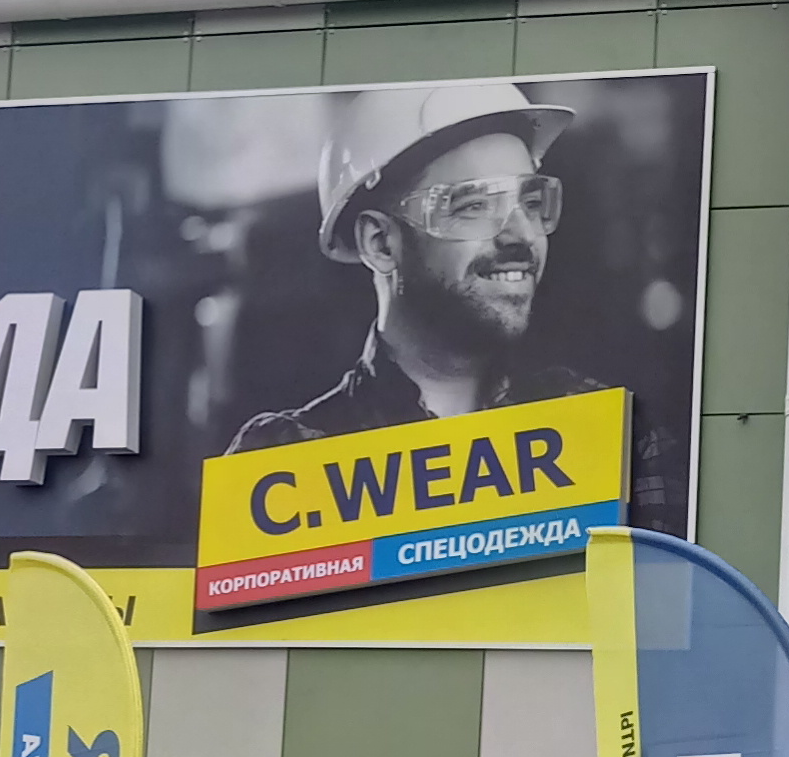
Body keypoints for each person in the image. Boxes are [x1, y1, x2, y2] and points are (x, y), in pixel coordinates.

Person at [230, 82, 668, 513]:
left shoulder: (606, 430)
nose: (522, 236)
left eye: (531, 203)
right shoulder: (283, 465)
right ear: (380, 243)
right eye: (474, 205)